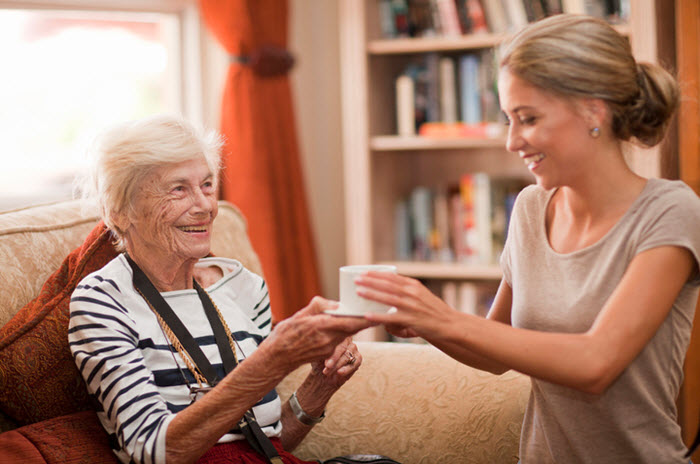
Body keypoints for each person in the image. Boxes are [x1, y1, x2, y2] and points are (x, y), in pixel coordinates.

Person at [355, 14, 700, 464]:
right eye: (508, 120)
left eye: (528, 119)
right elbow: (498, 349)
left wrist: (444, 318)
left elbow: (595, 363)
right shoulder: (531, 209)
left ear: (593, 111)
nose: (512, 141)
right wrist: (423, 321)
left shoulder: (670, 212)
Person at [68, 115, 374, 464]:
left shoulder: (244, 288)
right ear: (120, 211)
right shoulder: (103, 301)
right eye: (178, 189)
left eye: (208, 185)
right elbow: (155, 453)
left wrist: (320, 386)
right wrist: (271, 361)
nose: (204, 207)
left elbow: (267, 445)